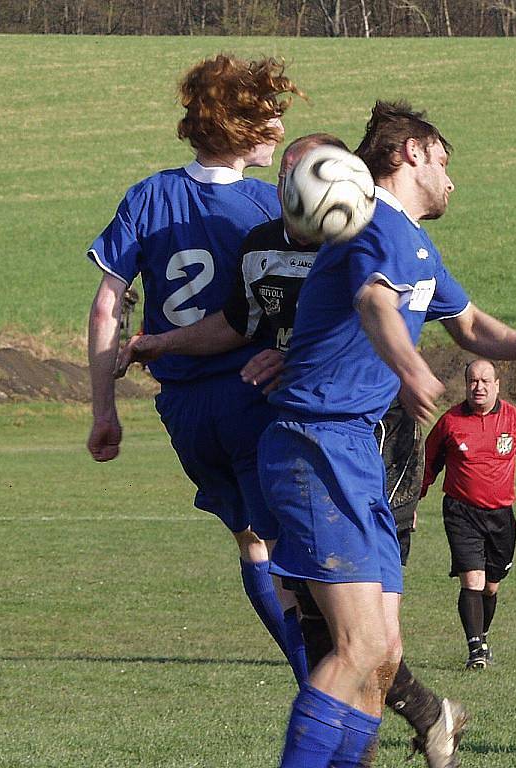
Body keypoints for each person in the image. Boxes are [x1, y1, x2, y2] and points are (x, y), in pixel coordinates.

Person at [256, 100, 516, 768]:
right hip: (317, 443)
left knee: (380, 656)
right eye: (444, 161)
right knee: (357, 650)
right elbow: (373, 301)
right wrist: (410, 365)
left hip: (354, 450)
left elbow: (470, 325)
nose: (450, 179)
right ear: (411, 152)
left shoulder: (414, 243)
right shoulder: (369, 222)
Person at [117, 132, 470, 768]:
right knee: (337, 633)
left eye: (304, 173)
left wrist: (399, 367)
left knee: (368, 642)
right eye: (286, 177)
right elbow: (238, 324)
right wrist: (158, 344)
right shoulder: (262, 246)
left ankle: (422, 713)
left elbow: (375, 306)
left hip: (376, 437)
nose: (291, 189)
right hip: (309, 438)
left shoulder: (365, 235)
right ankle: (416, 719)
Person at [85, 53, 308, 685]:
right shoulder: (270, 208)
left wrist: (104, 410)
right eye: (269, 119)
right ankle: (330, 689)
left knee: (251, 544)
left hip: (184, 414)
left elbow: (107, 309)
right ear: (241, 128)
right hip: (256, 396)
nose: (278, 132)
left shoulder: (149, 197)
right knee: (295, 551)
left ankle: (315, 678)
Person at [422, 359, 516, 670]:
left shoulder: (515, 420)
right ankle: (475, 650)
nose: (479, 387)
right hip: (460, 512)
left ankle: (483, 633)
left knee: (491, 585)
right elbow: (427, 464)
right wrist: (411, 503)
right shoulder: (450, 422)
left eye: (485, 381)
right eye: (473, 381)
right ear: (465, 385)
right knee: (472, 581)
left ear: (497, 385)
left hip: (500, 516)